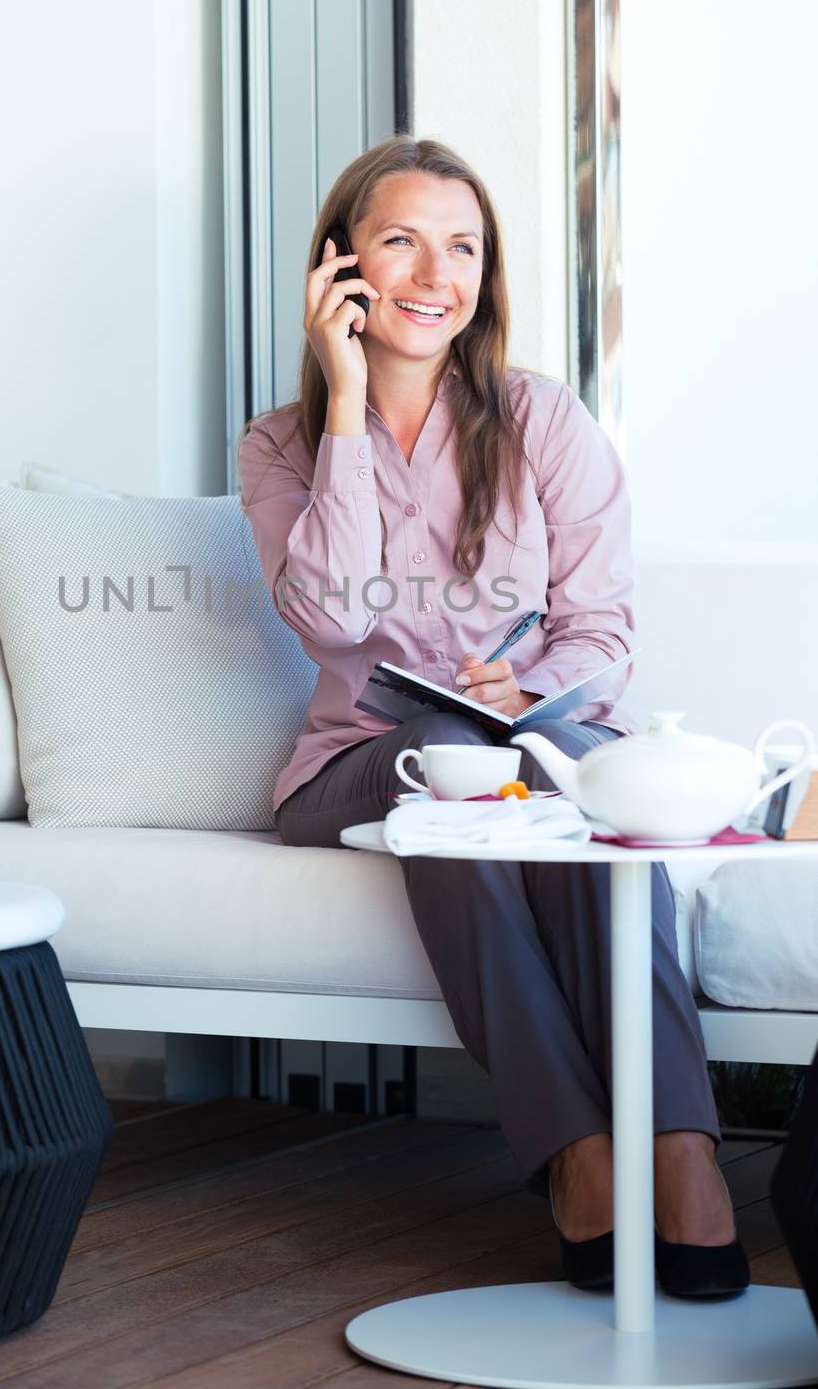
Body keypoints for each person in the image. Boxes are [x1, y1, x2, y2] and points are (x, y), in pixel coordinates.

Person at [236, 135, 748, 1298]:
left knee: (572, 773)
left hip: (520, 745)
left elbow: (600, 628)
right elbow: (326, 618)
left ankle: (677, 1146)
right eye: (400, 240)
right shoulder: (281, 443)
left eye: (460, 246)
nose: (433, 273)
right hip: (360, 764)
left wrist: (530, 694)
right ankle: (573, 1152)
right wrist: (353, 403)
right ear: (340, 267)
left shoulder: (543, 422)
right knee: (449, 760)